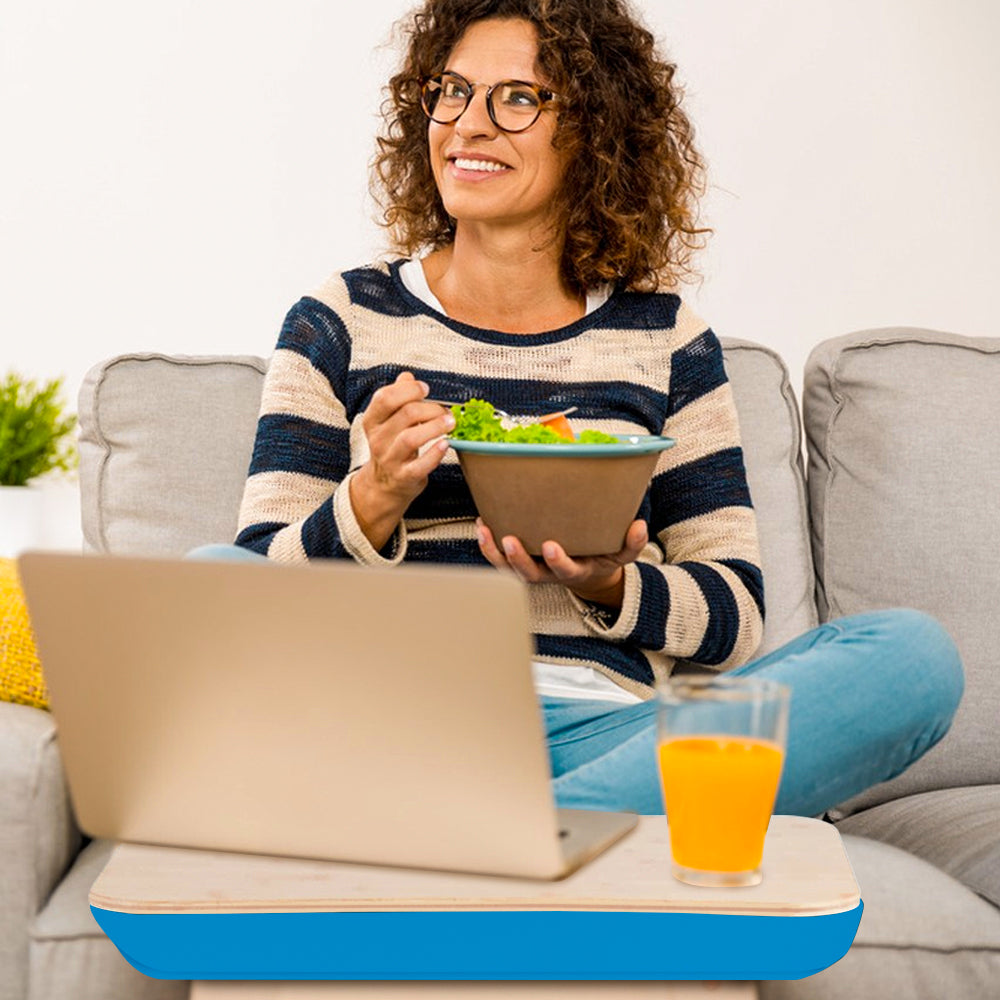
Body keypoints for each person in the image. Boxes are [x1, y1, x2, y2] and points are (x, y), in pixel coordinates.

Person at [227, 0, 963, 816]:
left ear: (594, 133)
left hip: (607, 731)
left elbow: (735, 614)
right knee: (209, 585)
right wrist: (369, 505)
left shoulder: (666, 340)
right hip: (393, 716)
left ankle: (514, 834)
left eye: (516, 98)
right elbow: (254, 594)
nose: (469, 124)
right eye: (453, 92)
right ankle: (574, 843)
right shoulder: (341, 320)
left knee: (913, 658)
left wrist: (611, 584)